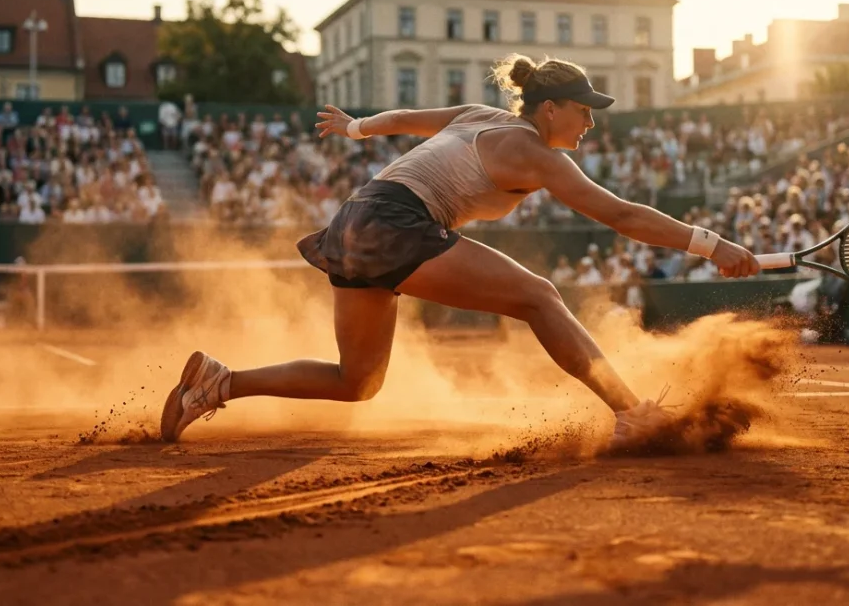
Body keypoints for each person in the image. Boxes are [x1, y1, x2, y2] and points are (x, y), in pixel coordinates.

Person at [159, 54, 761, 446]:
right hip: (396, 223)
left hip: (354, 221)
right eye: (584, 111)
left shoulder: (480, 114)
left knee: (357, 381)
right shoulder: (535, 153)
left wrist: (356, 127)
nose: (590, 123)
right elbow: (622, 215)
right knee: (540, 297)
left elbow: (406, 119)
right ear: (550, 109)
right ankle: (631, 412)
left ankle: (218, 384)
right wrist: (712, 245)